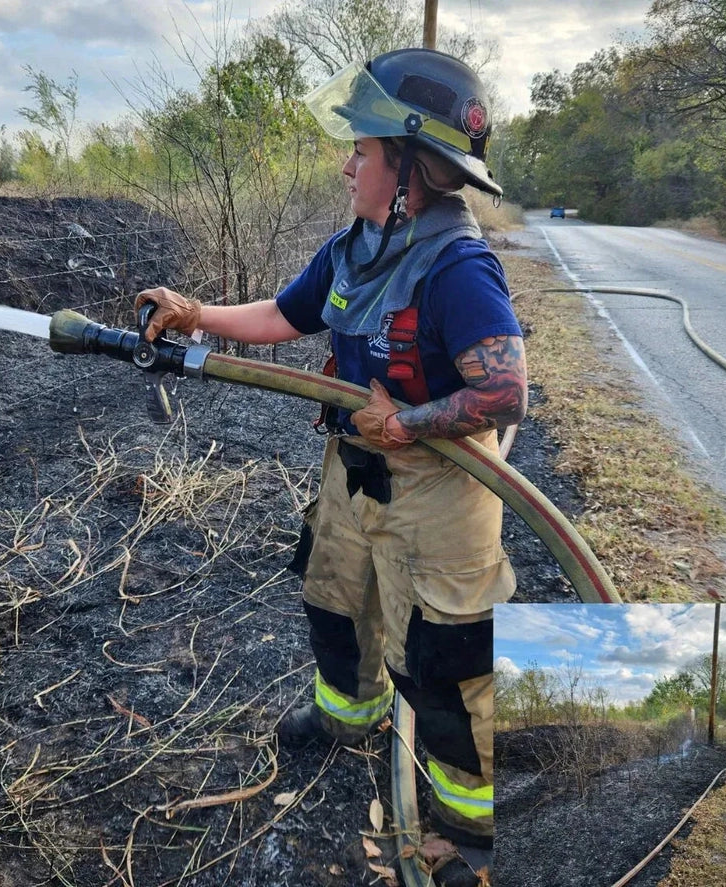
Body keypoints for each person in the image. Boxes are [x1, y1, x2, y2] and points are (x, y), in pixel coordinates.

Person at [136, 47, 527, 885]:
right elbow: (284, 313)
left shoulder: (459, 267)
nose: (348, 162)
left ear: (411, 168)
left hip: (442, 489)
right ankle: (349, 714)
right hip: (354, 470)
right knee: (336, 600)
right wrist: (196, 312)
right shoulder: (353, 248)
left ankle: (471, 819)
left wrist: (409, 420)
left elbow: (504, 393)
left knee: (448, 658)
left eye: (364, 149)